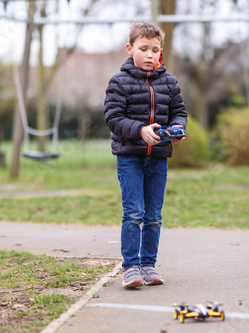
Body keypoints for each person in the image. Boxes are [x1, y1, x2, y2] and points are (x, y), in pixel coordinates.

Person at [104, 22, 187, 288]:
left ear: (161, 51)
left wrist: (178, 128)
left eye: (155, 50)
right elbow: (113, 118)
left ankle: (148, 265)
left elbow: (179, 111)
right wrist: (140, 131)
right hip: (130, 157)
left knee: (153, 216)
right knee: (133, 214)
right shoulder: (119, 82)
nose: (150, 55)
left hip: (158, 157)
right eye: (144, 49)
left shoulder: (170, 82)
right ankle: (130, 268)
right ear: (130, 49)